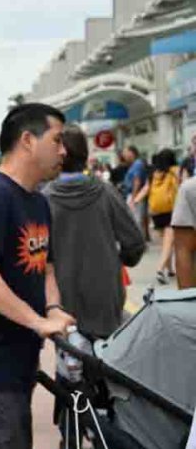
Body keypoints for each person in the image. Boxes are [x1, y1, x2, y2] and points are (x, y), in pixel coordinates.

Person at [0, 103, 76, 449]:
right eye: (57, 140)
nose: (64, 150)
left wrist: (54, 310)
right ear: (27, 140)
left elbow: (47, 270)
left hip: (21, 362)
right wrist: (35, 321)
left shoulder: (39, 203)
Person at [44, 125, 145, 339]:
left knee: (67, 365)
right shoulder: (105, 192)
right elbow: (135, 241)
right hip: (105, 296)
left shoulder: (43, 199)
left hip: (60, 302)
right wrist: (117, 261)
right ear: (86, 155)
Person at [137, 149, 179, 284]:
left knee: (166, 242)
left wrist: (135, 200)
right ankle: (160, 269)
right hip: (171, 209)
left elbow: (145, 189)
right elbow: (181, 185)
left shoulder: (153, 173)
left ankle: (170, 269)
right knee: (168, 242)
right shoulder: (174, 170)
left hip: (156, 212)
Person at [172, 174, 196, 288]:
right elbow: (184, 249)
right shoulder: (191, 189)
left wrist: (187, 301)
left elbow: (184, 248)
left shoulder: (190, 188)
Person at [123, 145, 150, 241]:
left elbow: (137, 181)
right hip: (134, 195)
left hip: (136, 195)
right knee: (136, 219)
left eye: (125, 152)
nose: (124, 155)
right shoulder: (135, 164)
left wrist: (134, 198)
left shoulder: (137, 164)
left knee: (136, 219)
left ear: (131, 153)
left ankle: (139, 241)